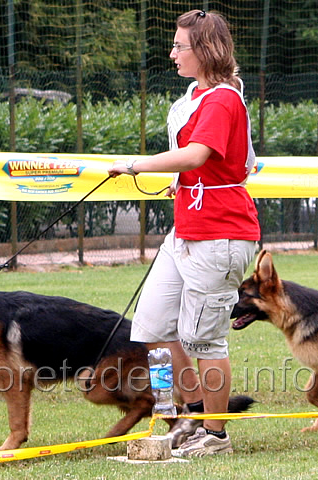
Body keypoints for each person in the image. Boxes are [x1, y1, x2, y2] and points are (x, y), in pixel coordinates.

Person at [108, 10, 260, 457]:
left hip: (221, 235)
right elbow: (202, 163)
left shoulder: (222, 99)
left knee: (203, 339)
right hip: (185, 232)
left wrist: (133, 164)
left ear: (206, 51)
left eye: (180, 46)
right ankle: (184, 412)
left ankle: (215, 436)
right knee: (152, 326)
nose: (172, 53)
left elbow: (196, 156)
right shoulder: (195, 97)